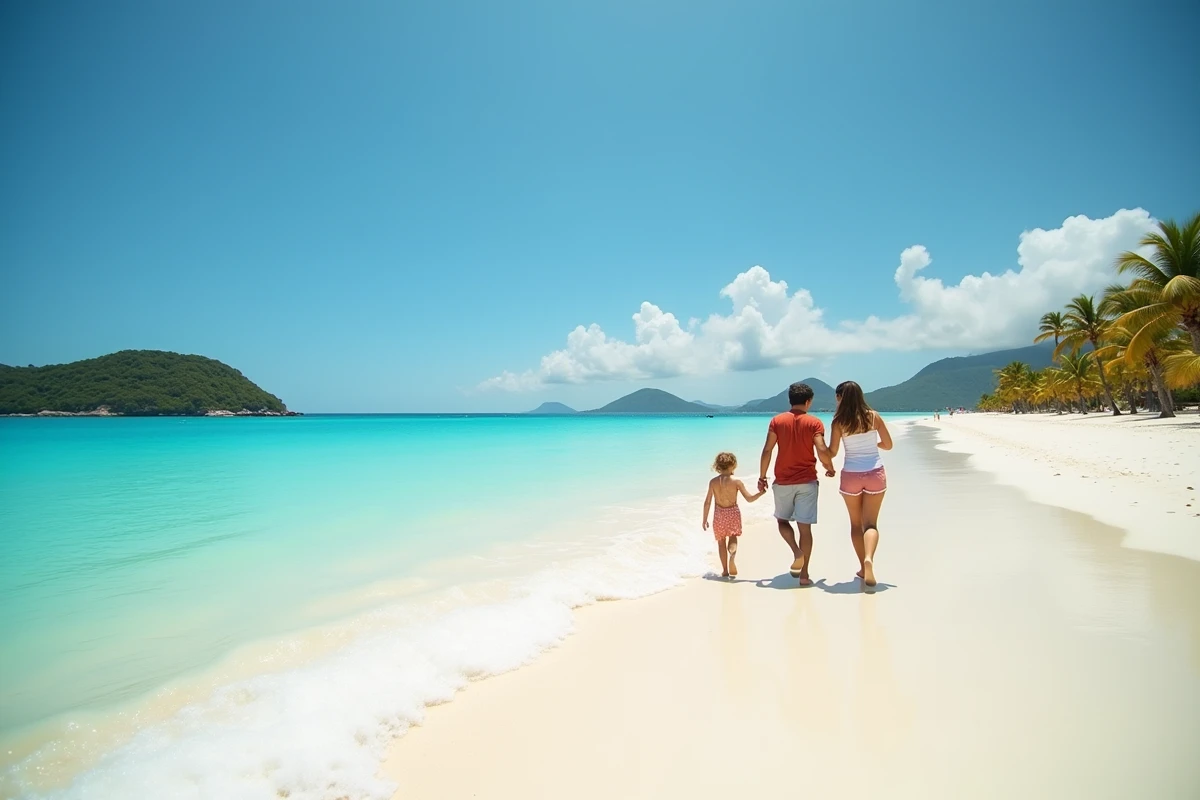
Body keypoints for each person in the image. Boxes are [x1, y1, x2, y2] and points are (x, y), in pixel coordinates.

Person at [758, 383, 836, 586]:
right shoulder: (815, 423)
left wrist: (762, 476)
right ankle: (804, 575)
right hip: (808, 481)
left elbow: (767, 450)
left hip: (783, 481)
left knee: (782, 521)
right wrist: (829, 465)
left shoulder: (777, 421)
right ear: (808, 401)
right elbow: (821, 448)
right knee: (805, 529)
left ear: (790, 400)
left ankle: (796, 551)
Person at [828, 381, 893, 587]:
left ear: (840, 398)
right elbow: (889, 445)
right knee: (871, 524)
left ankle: (863, 567)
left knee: (856, 524)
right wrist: (873, 444)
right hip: (875, 473)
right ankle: (869, 559)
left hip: (851, 476)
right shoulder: (873, 416)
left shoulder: (838, 422)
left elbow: (832, 452)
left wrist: (819, 449)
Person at [702, 452, 765, 578]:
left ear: (718, 466)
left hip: (719, 514)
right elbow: (749, 498)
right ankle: (732, 555)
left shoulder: (713, 482)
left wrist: (704, 519)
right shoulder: (736, 482)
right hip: (733, 513)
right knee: (733, 537)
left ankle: (725, 570)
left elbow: (707, 501)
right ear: (733, 465)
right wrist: (761, 493)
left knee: (720, 542)